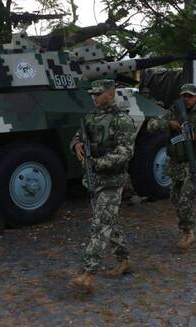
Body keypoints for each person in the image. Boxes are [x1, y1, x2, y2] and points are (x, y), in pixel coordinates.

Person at [69, 79, 137, 293]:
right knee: (110, 221)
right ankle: (124, 260)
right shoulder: (90, 117)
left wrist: (98, 163)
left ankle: (89, 274)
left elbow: (126, 152)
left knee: (100, 225)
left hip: (112, 181)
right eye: (92, 94)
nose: (94, 97)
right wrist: (77, 145)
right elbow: (77, 138)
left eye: (98, 94)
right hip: (94, 179)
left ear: (111, 94)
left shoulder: (121, 120)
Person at [147, 83, 196, 250]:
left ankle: (188, 232)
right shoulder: (172, 113)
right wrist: (169, 124)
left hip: (193, 163)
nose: (186, 99)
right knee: (175, 198)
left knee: (185, 200)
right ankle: (186, 223)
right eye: (184, 96)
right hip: (175, 163)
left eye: (190, 96)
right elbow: (151, 125)